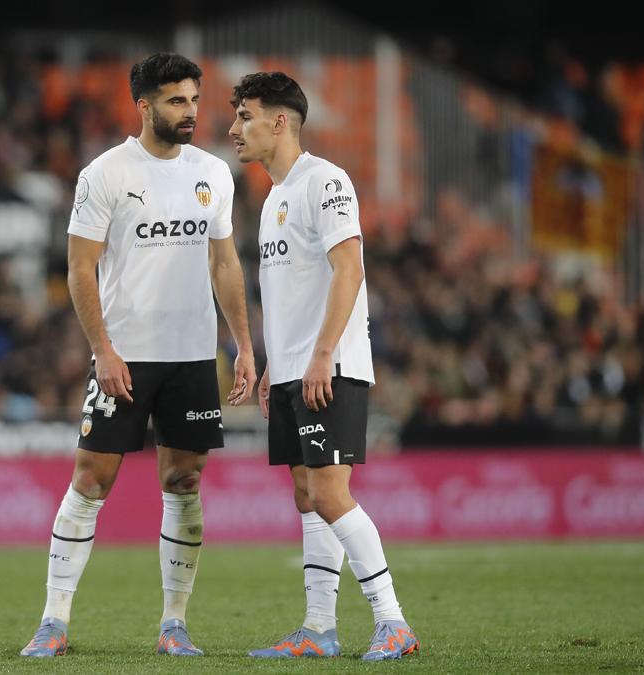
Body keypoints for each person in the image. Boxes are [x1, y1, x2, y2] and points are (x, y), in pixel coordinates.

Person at [20, 53, 256, 658]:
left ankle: (174, 625)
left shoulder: (214, 173)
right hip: (124, 357)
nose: (191, 113)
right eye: (177, 101)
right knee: (91, 480)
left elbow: (224, 262)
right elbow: (79, 267)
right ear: (145, 105)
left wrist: (243, 343)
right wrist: (102, 350)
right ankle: (53, 622)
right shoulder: (104, 173)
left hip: (192, 358)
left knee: (184, 480)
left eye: (195, 101)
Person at [228, 71, 419, 661]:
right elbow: (292, 292)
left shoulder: (325, 181)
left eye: (245, 116)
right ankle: (318, 630)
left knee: (331, 494)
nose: (234, 128)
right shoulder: (273, 199)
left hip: (327, 367)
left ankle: (394, 624)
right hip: (293, 371)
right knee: (307, 497)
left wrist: (319, 356)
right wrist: (273, 367)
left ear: (279, 121)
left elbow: (350, 270)